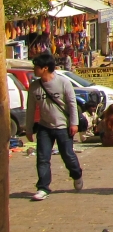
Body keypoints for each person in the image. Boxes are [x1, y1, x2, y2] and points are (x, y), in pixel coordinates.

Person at [25, 52, 84, 200]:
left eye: (36, 67)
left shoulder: (63, 83)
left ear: (45, 68)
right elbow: (30, 108)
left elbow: (72, 104)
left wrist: (74, 124)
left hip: (63, 127)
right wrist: (28, 128)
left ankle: (76, 174)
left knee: (68, 156)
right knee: (42, 158)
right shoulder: (34, 87)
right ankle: (43, 187)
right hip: (44, 127)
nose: (34, 70)